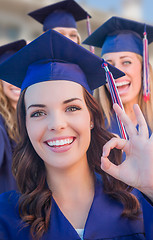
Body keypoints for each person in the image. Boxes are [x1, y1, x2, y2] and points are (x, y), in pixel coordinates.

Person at [0, 30, 152, 240]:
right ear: (25, 125)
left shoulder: (140, 205)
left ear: (91, 117)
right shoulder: (6, 217)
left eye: (71, 108)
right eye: (38, 113)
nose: (57, 124)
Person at [83, 16, 153, 137]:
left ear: (144, 69)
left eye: (126, 62)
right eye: (108, 65)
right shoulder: (91, 127)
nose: (117, 72)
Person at [0, 39, 26, 194]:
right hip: (11, 210)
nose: (15, 81)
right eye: (8, 75)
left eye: (20, 73)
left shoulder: (35, 116)